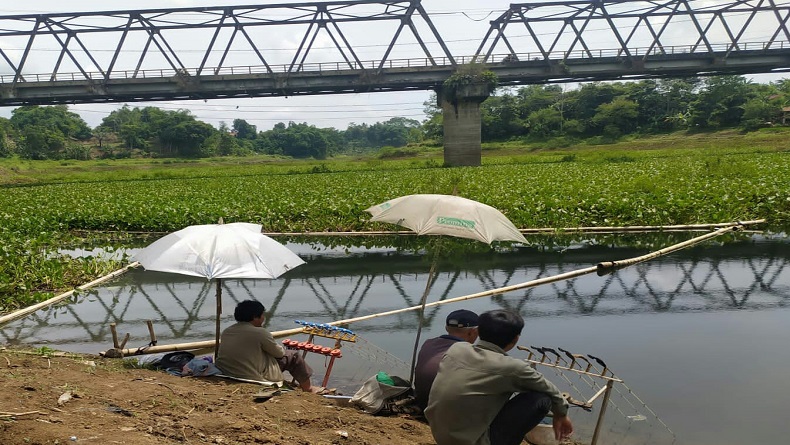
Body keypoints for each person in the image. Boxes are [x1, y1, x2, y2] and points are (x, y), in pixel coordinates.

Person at [425, 310, 573, 445]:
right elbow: (550, 389)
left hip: (441, 434)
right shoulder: (513, 367)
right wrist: (561, 414)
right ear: (515, 339)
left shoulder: (457, 349)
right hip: (474, 441)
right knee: (541, 398)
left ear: (478, 332)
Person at [215, 300, 324, 393]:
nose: (263, 318)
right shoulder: (259, 332)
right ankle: (308, 389)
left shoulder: (227, 331)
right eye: (262, 315)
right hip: (249, 375)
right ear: (255, 317)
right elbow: (279, 353)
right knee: (293, 356)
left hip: (227, 371)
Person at [413, 309, 479, 411]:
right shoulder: (471, 353)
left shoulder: (428, 343)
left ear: (446, 328)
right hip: (446, 413)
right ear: (473, 332)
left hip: (423, 404)